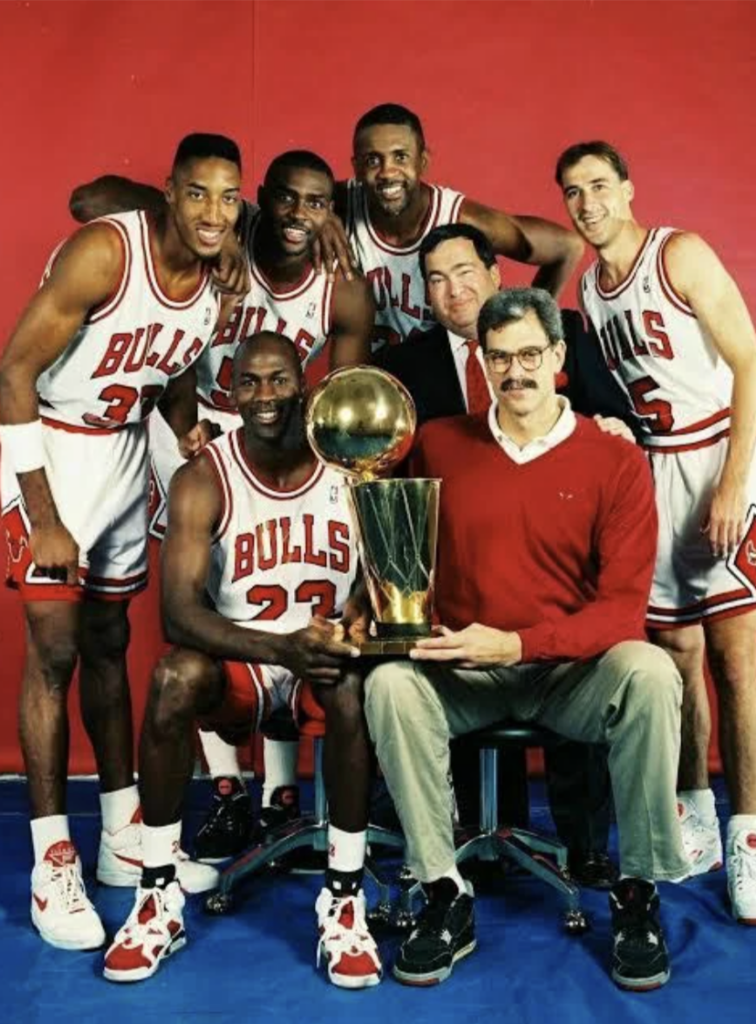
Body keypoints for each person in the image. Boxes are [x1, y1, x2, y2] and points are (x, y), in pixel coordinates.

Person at [363, 287, 688, 991]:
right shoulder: (440, 443)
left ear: (560, 357)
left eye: (530, 354)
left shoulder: (615, 459)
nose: (516, 372)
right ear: (481, 361)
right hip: (464, 671)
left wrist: (516, 645)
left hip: (568, 673)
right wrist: (380, 611)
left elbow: (623, 614)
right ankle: (443, 891)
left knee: (652, 672)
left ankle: (637, 890)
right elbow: (398, 560)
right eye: (500, 357)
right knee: (388, 683)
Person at [70, 150, 376, 862]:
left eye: (318, 204)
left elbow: (352, 389)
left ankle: (277, 794)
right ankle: (232, 792)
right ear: (257, 202)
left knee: (285, 593)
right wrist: (228, 231)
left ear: (332, 211)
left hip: (288, 439)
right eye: (288, 202)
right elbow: (90, 196)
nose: (301, 217)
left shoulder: (339, 285)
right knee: (211, 607)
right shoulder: (217, 235)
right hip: (203, 435)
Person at [0, 133, 243, 951]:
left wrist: (191, 443)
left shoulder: (213, 289)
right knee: (57, 651)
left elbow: (170, 380)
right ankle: (51, 858)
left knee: (108, 643)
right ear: (168, 193)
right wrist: (44, 517)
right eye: (198, 194)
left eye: (227, 197)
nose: (213, 212)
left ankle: (117, 834)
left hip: (123, 455)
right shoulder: (106, 252)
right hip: (48, 449)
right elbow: (12, 376)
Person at [103, 332, 382, 989]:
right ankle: (158, 895)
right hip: (249, 660)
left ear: (304, 384)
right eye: (249, 383)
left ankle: (344, 899)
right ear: (228, 393)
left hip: (325, 659)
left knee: (353, 689)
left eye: (279, 380)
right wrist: (280, 647)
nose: (265, 397)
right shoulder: (204, 475)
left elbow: (384, 572)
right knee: (173, 675)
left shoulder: (352, 461)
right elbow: (179, 615)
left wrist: (361, 614)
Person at [376, 221, 632, 887]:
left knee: (582, 636)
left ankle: (587, 844)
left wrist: (607, 429)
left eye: (464, 272)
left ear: (496, 275)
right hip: (462, 577)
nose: (451, 288)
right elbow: (396, 487)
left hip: (561, 558)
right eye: (435, 279)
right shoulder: (407, 366)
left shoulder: (560, 333)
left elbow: (611, 416)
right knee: (446, 648)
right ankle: (474, 839)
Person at [556, 140, 756, 925]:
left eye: (599, 186)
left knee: (738, 661)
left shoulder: (681, 254)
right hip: (657, 470)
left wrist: (736, 483)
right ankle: (696, 814)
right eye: (573, 192)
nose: (587, 203)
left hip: (722, 454)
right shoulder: (590, 289)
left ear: (629, 189)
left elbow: (750, 362)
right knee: (676, 656)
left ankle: (750, 837)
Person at [342, 103, 584, 348]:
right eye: (373, 160)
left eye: (400, 157)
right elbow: (304, 189)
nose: (387, 171)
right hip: (373, 379)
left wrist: (524, 327)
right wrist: (326, 217)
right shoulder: (336, 204)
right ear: (356, 168)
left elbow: (567, 246)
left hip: (447, 377)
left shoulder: (459, 219)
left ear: (422, 161)